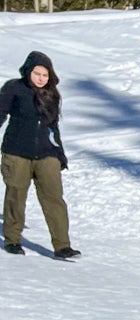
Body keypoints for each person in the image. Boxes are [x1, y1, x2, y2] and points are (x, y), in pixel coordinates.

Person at [0, 51, 77, 260]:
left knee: (54, 198)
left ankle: (62, 245)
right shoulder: (13, 88)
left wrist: (59, 153)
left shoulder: (51, 94)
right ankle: (12, 240)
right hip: (16, 153)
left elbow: (53, 127)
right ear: (28, 71)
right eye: (37, 73)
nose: (41, 78)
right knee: (16, 196)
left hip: (46, 154)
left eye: (45, 75)